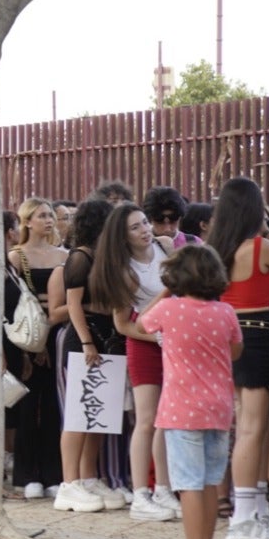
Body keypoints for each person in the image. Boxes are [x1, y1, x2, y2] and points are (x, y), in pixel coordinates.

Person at [141, 245, 242, 539]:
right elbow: (236, 351)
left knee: (189, 485)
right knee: (211, 482)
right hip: (219, 408)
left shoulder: (169, 308)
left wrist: (166, 291)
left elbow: (141, 324)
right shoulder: (225, 312)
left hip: (181, 409)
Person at [89, 201, 177, 521]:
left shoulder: (166, 247)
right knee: (146, 419)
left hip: (175, 340)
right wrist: (158, 339)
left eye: (144, 223)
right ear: (122, 236)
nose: (145, 231)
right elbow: (123, 325)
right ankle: (141, 494)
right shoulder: (125, 271)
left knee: (167, 420)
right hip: (145, 344)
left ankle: (164, 489)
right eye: (135, 227)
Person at [48, 199, 128, 512]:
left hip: (108, 337)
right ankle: (69, 484)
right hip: (86, 338)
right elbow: (73, 305)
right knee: (79, 413)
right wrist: (86, 342)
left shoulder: (109, 258)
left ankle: (89, 477)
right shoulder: (81, 257)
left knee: (99, 416)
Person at [206, 177, 269, 539]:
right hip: (259, 337)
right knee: (252, 428)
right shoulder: (261, 248)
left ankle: (256, 509)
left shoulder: (214, 251)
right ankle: (245, 517)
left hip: (229, 338)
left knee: (254, 427)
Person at [9, 197, 68, 498]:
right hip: (27, 338)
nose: (49, 220)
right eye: (42, 215)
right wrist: (27, 347)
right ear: (27, 221)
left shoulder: (64, 255)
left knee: (54, 406)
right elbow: (13, 303)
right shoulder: (16, 256)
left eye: (50, 215)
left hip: (58, 334)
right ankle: (26, 475)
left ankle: (53, 474)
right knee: (28, 406)